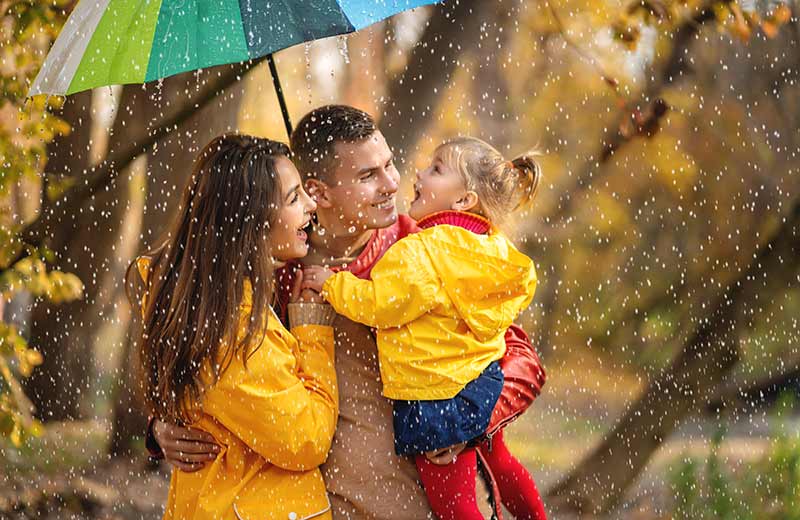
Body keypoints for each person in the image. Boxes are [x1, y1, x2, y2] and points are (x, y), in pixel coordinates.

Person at [303, 136, 548, 520]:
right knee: (501, 462)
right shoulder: (490, 249)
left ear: (464, 199)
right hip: (475, 381)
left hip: (432, 397)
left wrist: (333, 283)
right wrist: (476, 407)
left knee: (455, 504)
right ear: (320, 192)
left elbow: (381, 303)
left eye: (435, 168)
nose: (401, 179)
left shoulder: (415, 250)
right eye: (369, 174)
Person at [130, 134, 339, 519]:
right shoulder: (232, 326)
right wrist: (313, 330)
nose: (310, 204)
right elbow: (305, 437)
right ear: (251, 221)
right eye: (294, 198)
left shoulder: (209, 296)